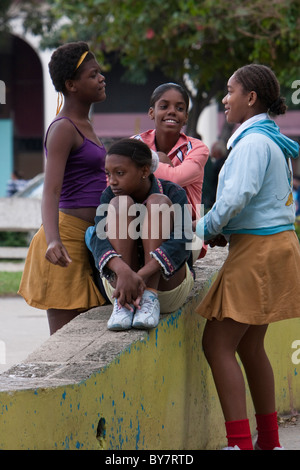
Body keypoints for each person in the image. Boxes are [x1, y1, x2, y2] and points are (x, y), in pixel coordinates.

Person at [195, 64, 300, 450]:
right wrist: (226, 230)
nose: (225, 99)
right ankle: (269, 442)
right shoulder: (268, 139)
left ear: (250, 98)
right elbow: (257, 202)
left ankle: (239, 443)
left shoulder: (253, 143)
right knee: (250, 347)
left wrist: (201, 232)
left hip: (259, 251)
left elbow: (235, 199)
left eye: (230, 91)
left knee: (216, 345)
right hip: (276, 246)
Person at [18, 41, 108, 335]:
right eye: (93, 74)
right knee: (66, 344)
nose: (101, 78)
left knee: (90, 343)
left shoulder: (87, 125)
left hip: (89, 241)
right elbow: (50, 191)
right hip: (64, 244)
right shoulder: (63, 128)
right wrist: (54, 241)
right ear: (71, 84)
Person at [85, 138, 194, 331]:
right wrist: (124, 272)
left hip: (165, 289)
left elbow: (182, 242)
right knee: (120, 204)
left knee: (158, 202)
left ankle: (148, 298)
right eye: (108, 174)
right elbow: (98, 239)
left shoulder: (173, 192)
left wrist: (139, 276)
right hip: (121, 287)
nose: (112, 181)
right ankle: (123, 306)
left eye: (120, 173)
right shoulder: (109, 196)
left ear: (144, 171)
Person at [132, 82, 209, 258]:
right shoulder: (135, 143)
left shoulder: (197, 148)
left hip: (186, 231)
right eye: (164, 106)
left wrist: (147, 165)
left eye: (179, 108)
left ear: (186, 117)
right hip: (138, 224)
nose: (172, 111)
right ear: (152, 112)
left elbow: (175, 178)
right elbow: (115, 179)